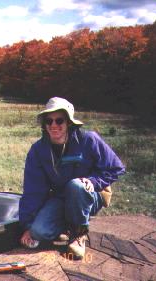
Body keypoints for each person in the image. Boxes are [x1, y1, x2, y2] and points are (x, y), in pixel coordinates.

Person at [18, 97, 125, 259]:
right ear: (44, 124)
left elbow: (116, 167)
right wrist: (28, 226)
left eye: (59, 120)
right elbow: (33, 190)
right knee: (39, 232)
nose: (54, 125)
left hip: (88, 194)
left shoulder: (89, 140)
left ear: (68, 122)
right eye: (49, 121)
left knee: (77, 186)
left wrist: (94, 181)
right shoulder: (38, 150)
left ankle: (78, 234)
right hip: (61, 197)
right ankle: (66, 225)